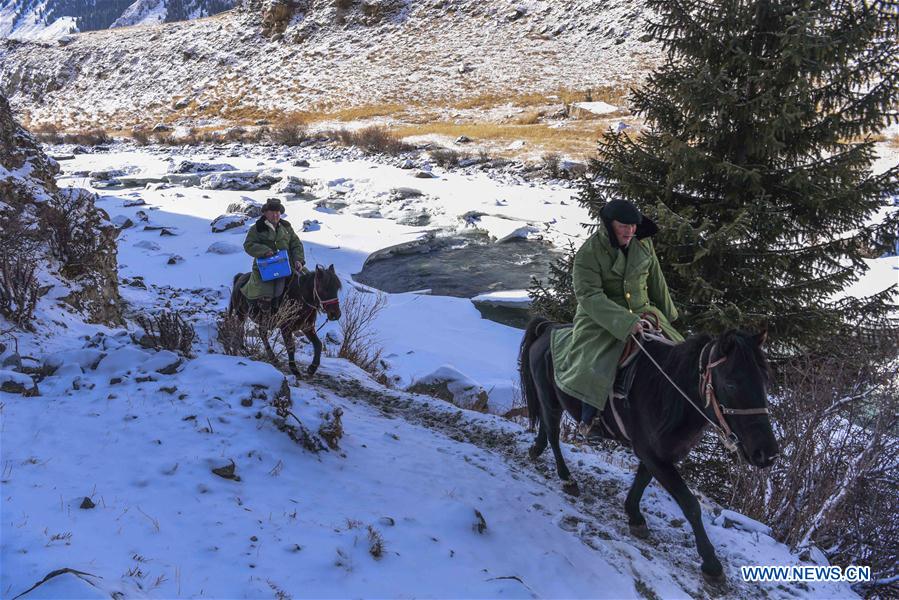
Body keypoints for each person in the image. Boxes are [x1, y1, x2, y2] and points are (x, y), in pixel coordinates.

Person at [551, 199, 683, 436]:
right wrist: (626, 322)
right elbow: (589, 296)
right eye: (624, 225)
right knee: (598, 363)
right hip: (602, 317)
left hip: (645, 313)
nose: (630, 230)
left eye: (634, 225)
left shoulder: (644, 244)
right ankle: (589, 418)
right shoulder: (588, 254)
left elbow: (656, 279)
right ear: (609, 225)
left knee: (681, 354)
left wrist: (669, 316)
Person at [240, 199, 305, 314]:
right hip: (266, 266)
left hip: (288, 264)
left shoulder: (287, 228)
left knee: (309, 280)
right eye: (272, 212)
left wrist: (298, 260)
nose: (275, 215)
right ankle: (264, 317)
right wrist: (264, 251)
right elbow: (248, 245)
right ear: (265, 213)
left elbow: (296, 244)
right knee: (265, 290)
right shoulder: (256, 228)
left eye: (278, 212)